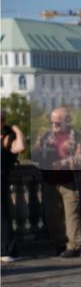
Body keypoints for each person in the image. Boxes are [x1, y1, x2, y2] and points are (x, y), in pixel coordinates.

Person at [34, 106, 81, 257]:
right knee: (52, 216)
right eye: (52, 122)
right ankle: (58, 243)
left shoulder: (77, 137)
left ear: (67, 121)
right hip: (50, 181)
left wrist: (62, 163)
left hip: (69, 181)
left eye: (57, 123)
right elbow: (36, 155)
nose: (54, 126)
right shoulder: (45, 136)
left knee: (72, 216)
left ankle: (73, 247)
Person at [1, 110, 27, 264]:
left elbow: (22, 147)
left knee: (2, 216)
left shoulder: (7, 138)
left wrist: (17, 129)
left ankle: (7, 250)